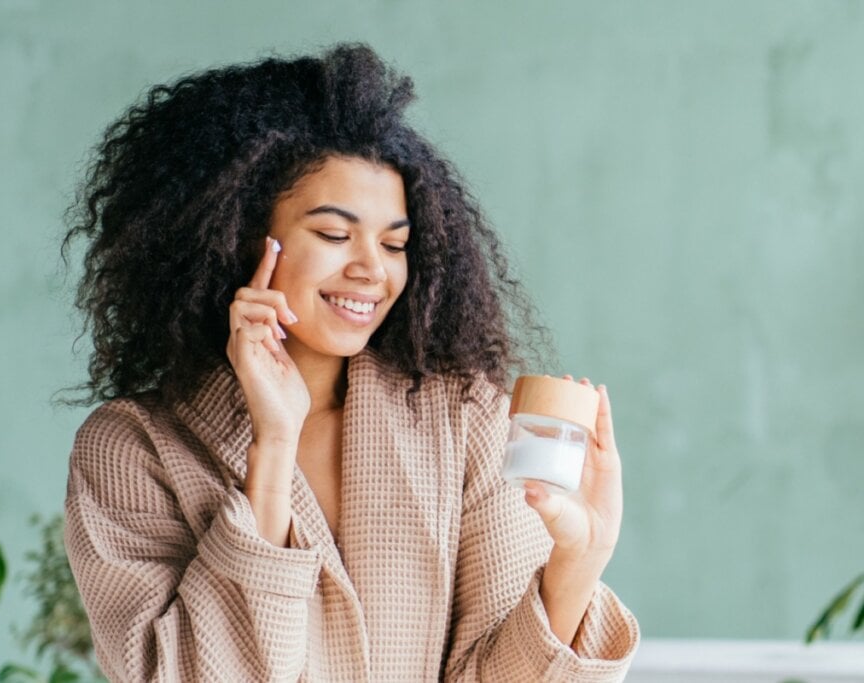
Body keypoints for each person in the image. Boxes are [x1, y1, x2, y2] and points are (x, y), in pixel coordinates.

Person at [60, 43, 639, 682]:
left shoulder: (461, 420)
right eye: (334, 235)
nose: (371, 270)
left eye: (394, 243)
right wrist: (273, 447)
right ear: (235, 237)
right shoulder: (131, 449)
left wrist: (580, 562)